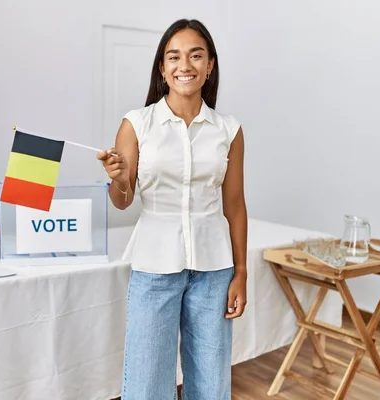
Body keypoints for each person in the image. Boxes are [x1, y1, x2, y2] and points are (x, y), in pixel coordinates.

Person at [97, 19, 247, 399]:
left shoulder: (228, 129)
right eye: (174, 56)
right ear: (162, 68)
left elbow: (234, 204)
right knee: (148, 383)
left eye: (196, 55)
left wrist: (241, 272)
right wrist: (117, 179)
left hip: (214, 269)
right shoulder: (137, 124)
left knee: (211, 384)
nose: (186, 65)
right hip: (154, 265)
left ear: (210, 64)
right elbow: (123, 198)